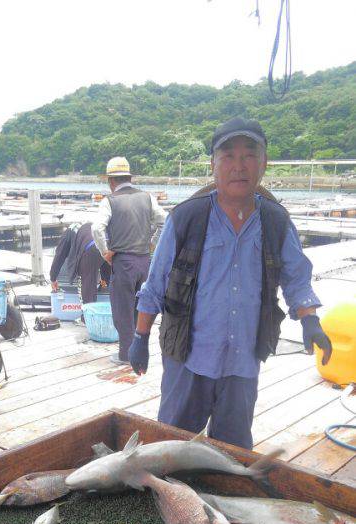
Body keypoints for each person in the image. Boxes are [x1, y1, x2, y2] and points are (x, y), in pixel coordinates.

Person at [128, 117, 332, 449]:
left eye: (249, 155)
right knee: (171, 448)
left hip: (243, 361)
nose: (239, 166)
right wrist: (139, 336)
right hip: (188, 357)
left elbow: (296, 277)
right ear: (214, 165)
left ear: (264, 163)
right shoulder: (186, 218)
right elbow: (155, 284)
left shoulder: (276, 221)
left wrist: (310, 319)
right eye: (228, 156)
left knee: (233, 454)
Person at [92, 157, 166, 365]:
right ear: (130, 178)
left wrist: (105, 251)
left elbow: (97, 228)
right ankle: (140, 351)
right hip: (144, 262)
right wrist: (152, 244)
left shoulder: (109, 201)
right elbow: (165, 222)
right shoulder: (147, 197)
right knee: (141, 309)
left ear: (110, 181)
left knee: (122, 311)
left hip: (123, 263)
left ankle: (126, 355)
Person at [50, 222, 110, 307]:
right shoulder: (87, 226)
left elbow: (59, 256)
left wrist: (53, 278)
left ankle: (88, 316)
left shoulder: (69, 232)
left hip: (90, 249)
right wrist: (104, 282)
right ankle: (105, 288)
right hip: (106, 245)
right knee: (105, 279)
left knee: (87, 283)